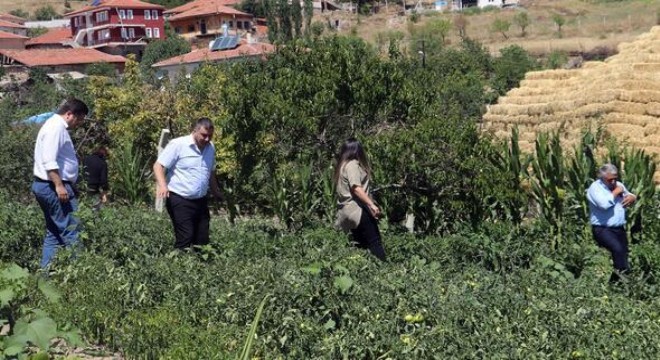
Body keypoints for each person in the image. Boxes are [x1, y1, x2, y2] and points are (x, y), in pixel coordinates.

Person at [32, 98, 89, 269]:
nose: (78, 124)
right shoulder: (55, 128)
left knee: (54, 233)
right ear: (69, 114)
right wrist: (59, 185)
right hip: (53, 187)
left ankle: (46, 277)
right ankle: (81, 276)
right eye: (79, 119)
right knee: (72, 230)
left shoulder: (54, 126)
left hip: (47, 186)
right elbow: (49, 161)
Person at [153, 118, 222, 250]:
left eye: (210, 136)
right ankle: (178, 266)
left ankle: (199, 268)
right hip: (179, 198)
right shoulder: (178, 144)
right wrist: (163, 185)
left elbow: (211, 171)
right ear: (195, 131)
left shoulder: (210, 147)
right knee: (186, 236)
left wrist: (215, 190)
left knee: (202, 240)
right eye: (204, 135)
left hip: (200, 200)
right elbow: (158, 166)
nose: (207, 139)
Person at [333, 138, 386, 261]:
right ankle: (386, 270)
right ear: (357, 151)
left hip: (346, 212)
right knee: (375, 243)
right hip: (357, 209)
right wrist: (371, 205)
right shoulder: (352, 165)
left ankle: (363, 273)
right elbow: (356, 188)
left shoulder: (342, 166)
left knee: (360, 246)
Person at [587, 163, 637, 282]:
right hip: (602, 229)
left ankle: (615, 283)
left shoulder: (618, 185)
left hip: (619, 228)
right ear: (602, 177)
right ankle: (624, 280)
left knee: (623, 255)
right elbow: (603, 204)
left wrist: (632, 197)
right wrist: (616, 192)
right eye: (610, 179)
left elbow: (628, 194)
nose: (614, 182)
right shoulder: (595, 188)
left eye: (616, 178)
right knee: (618, 250)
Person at [83, 145, 109, 212]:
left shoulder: (86, 159)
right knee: (95, 210)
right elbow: (103, 180)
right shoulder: (103, 163)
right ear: (104, 154)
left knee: (82, 209)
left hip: (82, 187)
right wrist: (104, 193)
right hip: (93, 189)